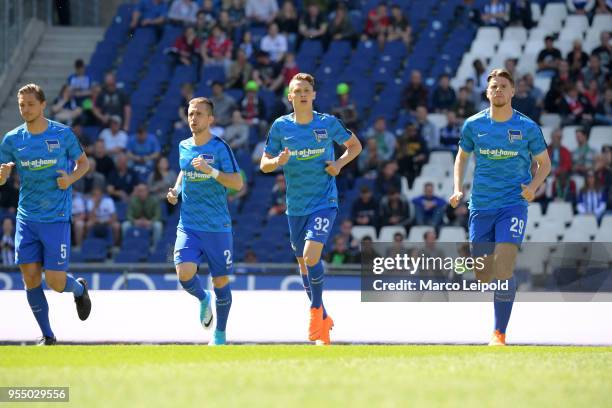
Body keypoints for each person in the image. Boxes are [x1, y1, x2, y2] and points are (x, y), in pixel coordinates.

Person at [449, 69, 551, 346]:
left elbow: (545, 164)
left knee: (504, 267)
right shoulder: (473, 124)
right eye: (494, 86)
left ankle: (499, 333)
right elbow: (461, 157)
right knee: (483, 275)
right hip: (481, 204)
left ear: (513, 91)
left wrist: (533, 188)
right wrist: (458, 188)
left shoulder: (527, 127)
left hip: (512, 205)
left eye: (503, 86)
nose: (498, 91)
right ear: (487, 92)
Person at [260, 73, 362, 345]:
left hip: (323, 201)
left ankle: (315, 312)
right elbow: (263, 164)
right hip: (296, 206)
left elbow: (355, 146)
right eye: (298, 90)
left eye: (307, 89)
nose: (303, 93)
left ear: (313, 95)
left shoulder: (327, 123)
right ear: (290, 97)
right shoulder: (281, 127)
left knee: (310, 255)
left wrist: (339, 164)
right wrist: (277, 161)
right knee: (304, 267)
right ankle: (324, 318)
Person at [0, 84, 92, 345]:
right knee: (29, 277)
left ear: (43, 105)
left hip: (55, 217)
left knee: (54, 281)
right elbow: (1, 171)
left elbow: (84, 163)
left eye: (30, 104)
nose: (25, 109)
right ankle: (48, 336)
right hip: (26, 217)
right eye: (21, 105)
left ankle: (79, 288)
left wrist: (70, 179)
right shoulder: (12, 139)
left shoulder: (62, 134)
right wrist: (2, 176)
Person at [167, 97, 244, 346]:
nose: (193, 118)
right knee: (184, 273)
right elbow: (184, 169)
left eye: (199, 114)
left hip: (216, 226)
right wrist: (176, 190)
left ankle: (220, 334)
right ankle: (203, 298)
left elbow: (237, 183)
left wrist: (210, 171)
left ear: (210, 119)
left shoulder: (220, 147)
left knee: (221, 280)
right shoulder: (183, 146)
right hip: (188, 224)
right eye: (190, 113)